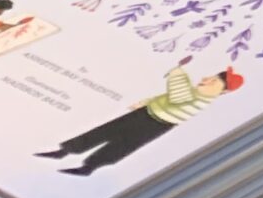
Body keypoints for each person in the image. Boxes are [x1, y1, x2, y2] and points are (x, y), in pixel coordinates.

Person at [38, 62, 243, 176]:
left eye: (214, 82)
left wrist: (177, 73)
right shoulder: (196, 92)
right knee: (104, 131)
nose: (206, 80)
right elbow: (166, 98)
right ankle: (65, 150)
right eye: (211, 77)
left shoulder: (201, 99)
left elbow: (178, 96)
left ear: (221, 91)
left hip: (157, 123)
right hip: (146, 112)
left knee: (122, 144)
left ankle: (89, 167)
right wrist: (146, 102)